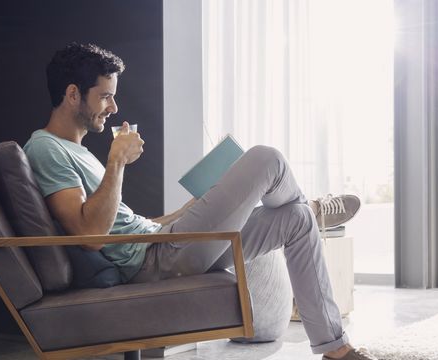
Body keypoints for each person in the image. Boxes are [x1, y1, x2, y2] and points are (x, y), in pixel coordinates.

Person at [23, 43, 377, 360]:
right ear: (73, 94)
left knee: (295, 218)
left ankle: (335, 349)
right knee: (267, 159)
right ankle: (316, 209)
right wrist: (116, 161)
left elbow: (123, 225)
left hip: (162, 243)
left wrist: (194, 207)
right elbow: (90, 234)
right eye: (104, 96)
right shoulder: (46, 148)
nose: (113, 107)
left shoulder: (77, 151)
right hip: (156, 261)